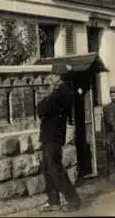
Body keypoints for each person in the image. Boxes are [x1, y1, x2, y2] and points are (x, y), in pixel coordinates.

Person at [37, 71, 81, 212]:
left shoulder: (62, 92)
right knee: (47, 169)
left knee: (55, 168)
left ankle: (73, 199)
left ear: (59, 76)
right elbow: (42, 109)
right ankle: (53, 201)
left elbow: (42, 109)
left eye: (53, 75)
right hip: (48, 136)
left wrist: (47, 95)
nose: (50, 77)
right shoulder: (57, 92)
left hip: (53, 136)